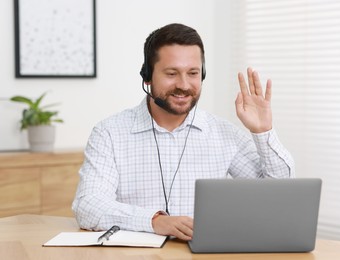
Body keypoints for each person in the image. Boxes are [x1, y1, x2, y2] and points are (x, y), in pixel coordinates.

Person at [72, 23, 295, 241]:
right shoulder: (109, 133)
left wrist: (263, 131)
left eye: (193, 73)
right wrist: (154, 221)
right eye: (172, 73)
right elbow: (88, 205)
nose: (184, 85)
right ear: (147, 76)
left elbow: (280, 195)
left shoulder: (224, 133)